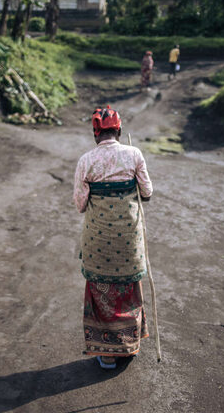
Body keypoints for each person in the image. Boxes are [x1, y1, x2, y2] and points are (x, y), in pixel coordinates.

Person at [73, 105, 153, 369]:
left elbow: (80, 204)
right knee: (128, 287)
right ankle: (129, 346)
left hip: (98, 241)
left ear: (96, 134)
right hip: (129, 240)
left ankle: (107, 353)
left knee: (101, 290)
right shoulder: (134, 154)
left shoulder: (86, 160)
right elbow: (147, 192)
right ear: (119, 130)